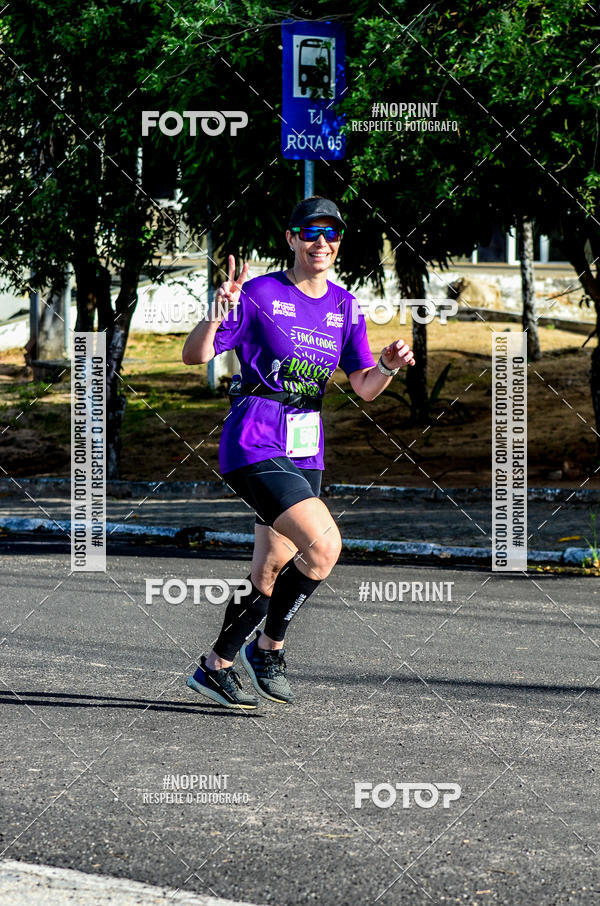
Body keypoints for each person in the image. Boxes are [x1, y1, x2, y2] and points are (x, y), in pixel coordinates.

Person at [182, 196, 415, 709]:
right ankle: (269, 648)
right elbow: (194, 355)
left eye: (332, 234)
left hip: (305, 446)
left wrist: (388, 365)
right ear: (291, 238)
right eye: (310, 231)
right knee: (324, 547)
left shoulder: (344, 306)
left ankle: (216, 667)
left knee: (270, 568)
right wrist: (214, 314)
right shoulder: (261, 293)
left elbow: (364, 385)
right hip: (255, 436)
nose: (322, 242)